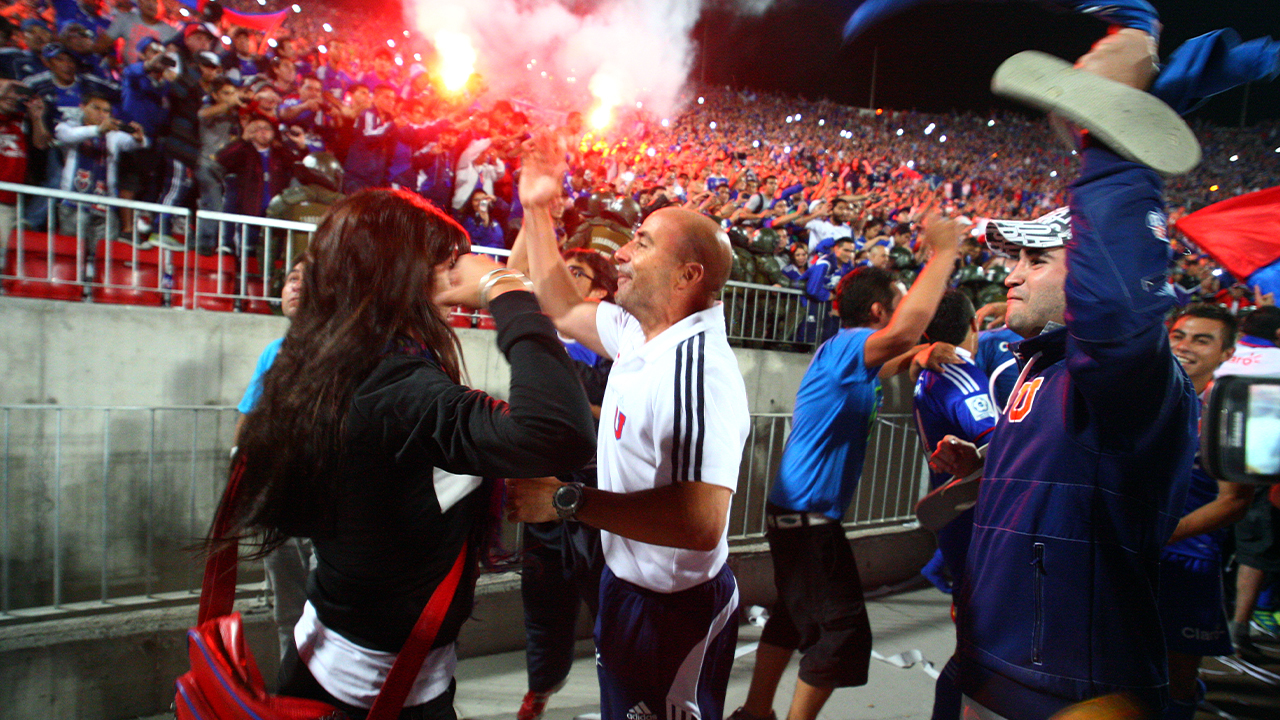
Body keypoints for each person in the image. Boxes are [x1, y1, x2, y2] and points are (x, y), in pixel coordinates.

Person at [209, 188, 596, 720]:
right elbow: (557, 431)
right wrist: (506, 288)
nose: (458, 270)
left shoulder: (338, 357)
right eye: (446, 259)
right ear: (400, 272)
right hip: (376, 690)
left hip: (346, 662)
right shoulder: (393, 384)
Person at [928, 29, 1201, 719]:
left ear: (1083, 268)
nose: (1011, 275)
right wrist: (988, 466)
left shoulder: (1125, 369)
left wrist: (1111, 126)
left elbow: (1114, 302)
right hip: (993, 659)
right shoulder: (1037, 368)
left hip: (1066, 684)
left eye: (1036, 261)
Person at [506, 135, 750, 720]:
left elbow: (699, 522)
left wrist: (568, 500)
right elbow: (562, 306)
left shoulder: (699, 375)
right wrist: (538, 210)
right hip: (628, 588)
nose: (619, 253)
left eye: (640, 244)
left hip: (672, 612)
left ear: (686, 275)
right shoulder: (643, 331)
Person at [729, 216, 962, 720]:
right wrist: (942, 254)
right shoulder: (846, 348)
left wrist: (922, 351)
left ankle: (754, 712)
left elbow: (898, 352)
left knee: (792, 617)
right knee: (841, 635)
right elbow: (902, 334)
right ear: (879, 310)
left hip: (797, 515)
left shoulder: (843, 353)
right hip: (808, 520)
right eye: (897, 305)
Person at [513, 248, 618, 720]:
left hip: (598, 505)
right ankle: (539, 694)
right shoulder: (540, 340)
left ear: (599, 291)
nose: (562, 276)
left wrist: (580, 412)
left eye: (576, 272)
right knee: (543, 608)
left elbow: (624, 419)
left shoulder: (618, 351)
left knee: (611, 611)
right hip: (545, 502)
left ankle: (624, 697)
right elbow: (513, 275)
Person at [1162, 304, 1255, 718]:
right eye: (1180, 335)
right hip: (1129, 554)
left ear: (1227, 352)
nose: (1185, 346)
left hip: (1188, 561)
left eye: (1202, 340)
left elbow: (1234, 501)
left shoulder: (1234, 411)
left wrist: (1160, 536)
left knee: (1177, 676)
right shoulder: (1143, 397)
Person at [233, 259, 310, 662]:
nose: (296, 287)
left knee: (327, 612)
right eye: (291, 279)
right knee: (288, 612)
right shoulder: (273, 352)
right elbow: (249, 416)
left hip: (327, 506)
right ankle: (290, 697)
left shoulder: (346, 352)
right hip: (281, 501)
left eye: (308, 280)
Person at [1213, 306, 1280, 659]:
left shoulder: (1225, 353)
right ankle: (1239, 627)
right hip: (1254, 472)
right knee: (1255, 553)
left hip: (1204, 466)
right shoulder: (1278, 363)